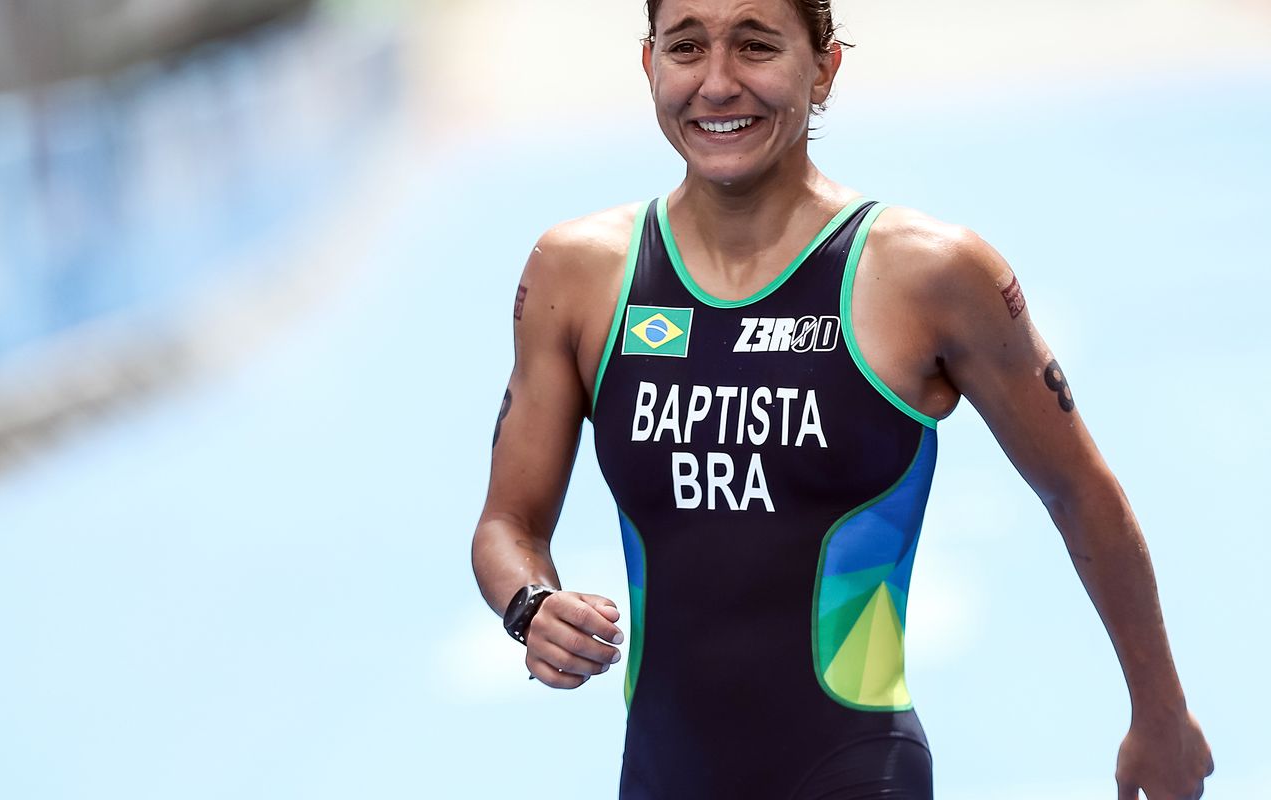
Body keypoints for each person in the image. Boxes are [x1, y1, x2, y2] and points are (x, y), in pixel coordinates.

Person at [470, 0, 1215, 797]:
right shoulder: (576, 275)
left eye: (756, 46)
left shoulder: (928, 274)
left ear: (824, 68)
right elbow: (506, 524)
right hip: (659, 775)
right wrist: (531, 605)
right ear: (650, 65)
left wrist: (1159, 710)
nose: (718, 84)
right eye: (687, 48)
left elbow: (1079, 489)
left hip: (855, 769)